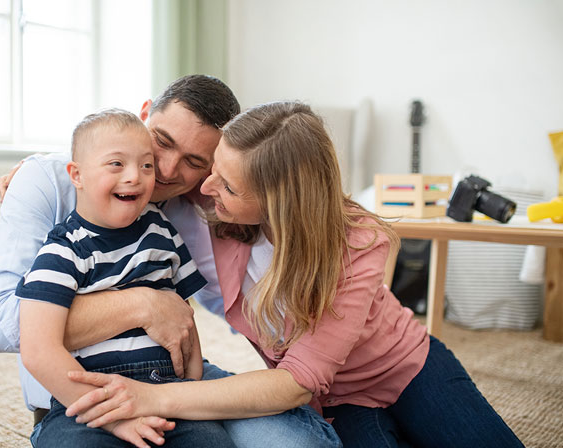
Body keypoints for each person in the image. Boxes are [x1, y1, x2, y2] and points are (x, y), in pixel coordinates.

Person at [62, 101, 525, 448]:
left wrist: (153, 398)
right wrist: (42, 173)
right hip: (337, 402)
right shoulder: (215, 202)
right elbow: (122, 144)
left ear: (278, 202)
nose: (205, 187)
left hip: (407, 366)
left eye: (227, 184)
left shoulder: (360, 241)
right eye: (215, 168)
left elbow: (294, 381)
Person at [0, 76, 340, 447]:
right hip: (79, 391)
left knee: (296, 442)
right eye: (161, 141)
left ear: (210, 171)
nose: (163, 169)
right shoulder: (49, 188)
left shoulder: (192, 209)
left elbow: (237, 306)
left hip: (168, 381)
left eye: (194, 162)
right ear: (145, 113)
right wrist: (143, 305)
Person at [16, 109, 238, 447]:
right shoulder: (61, 251)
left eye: (146, 165)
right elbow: (37, 350)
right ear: (77, 175)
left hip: (165, 393)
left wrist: (191, 386)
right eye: (116, 164)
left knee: (213, 443)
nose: (135, 176)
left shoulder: (163, 233)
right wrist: (113, 418)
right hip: (90, 404)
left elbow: (184, 316)